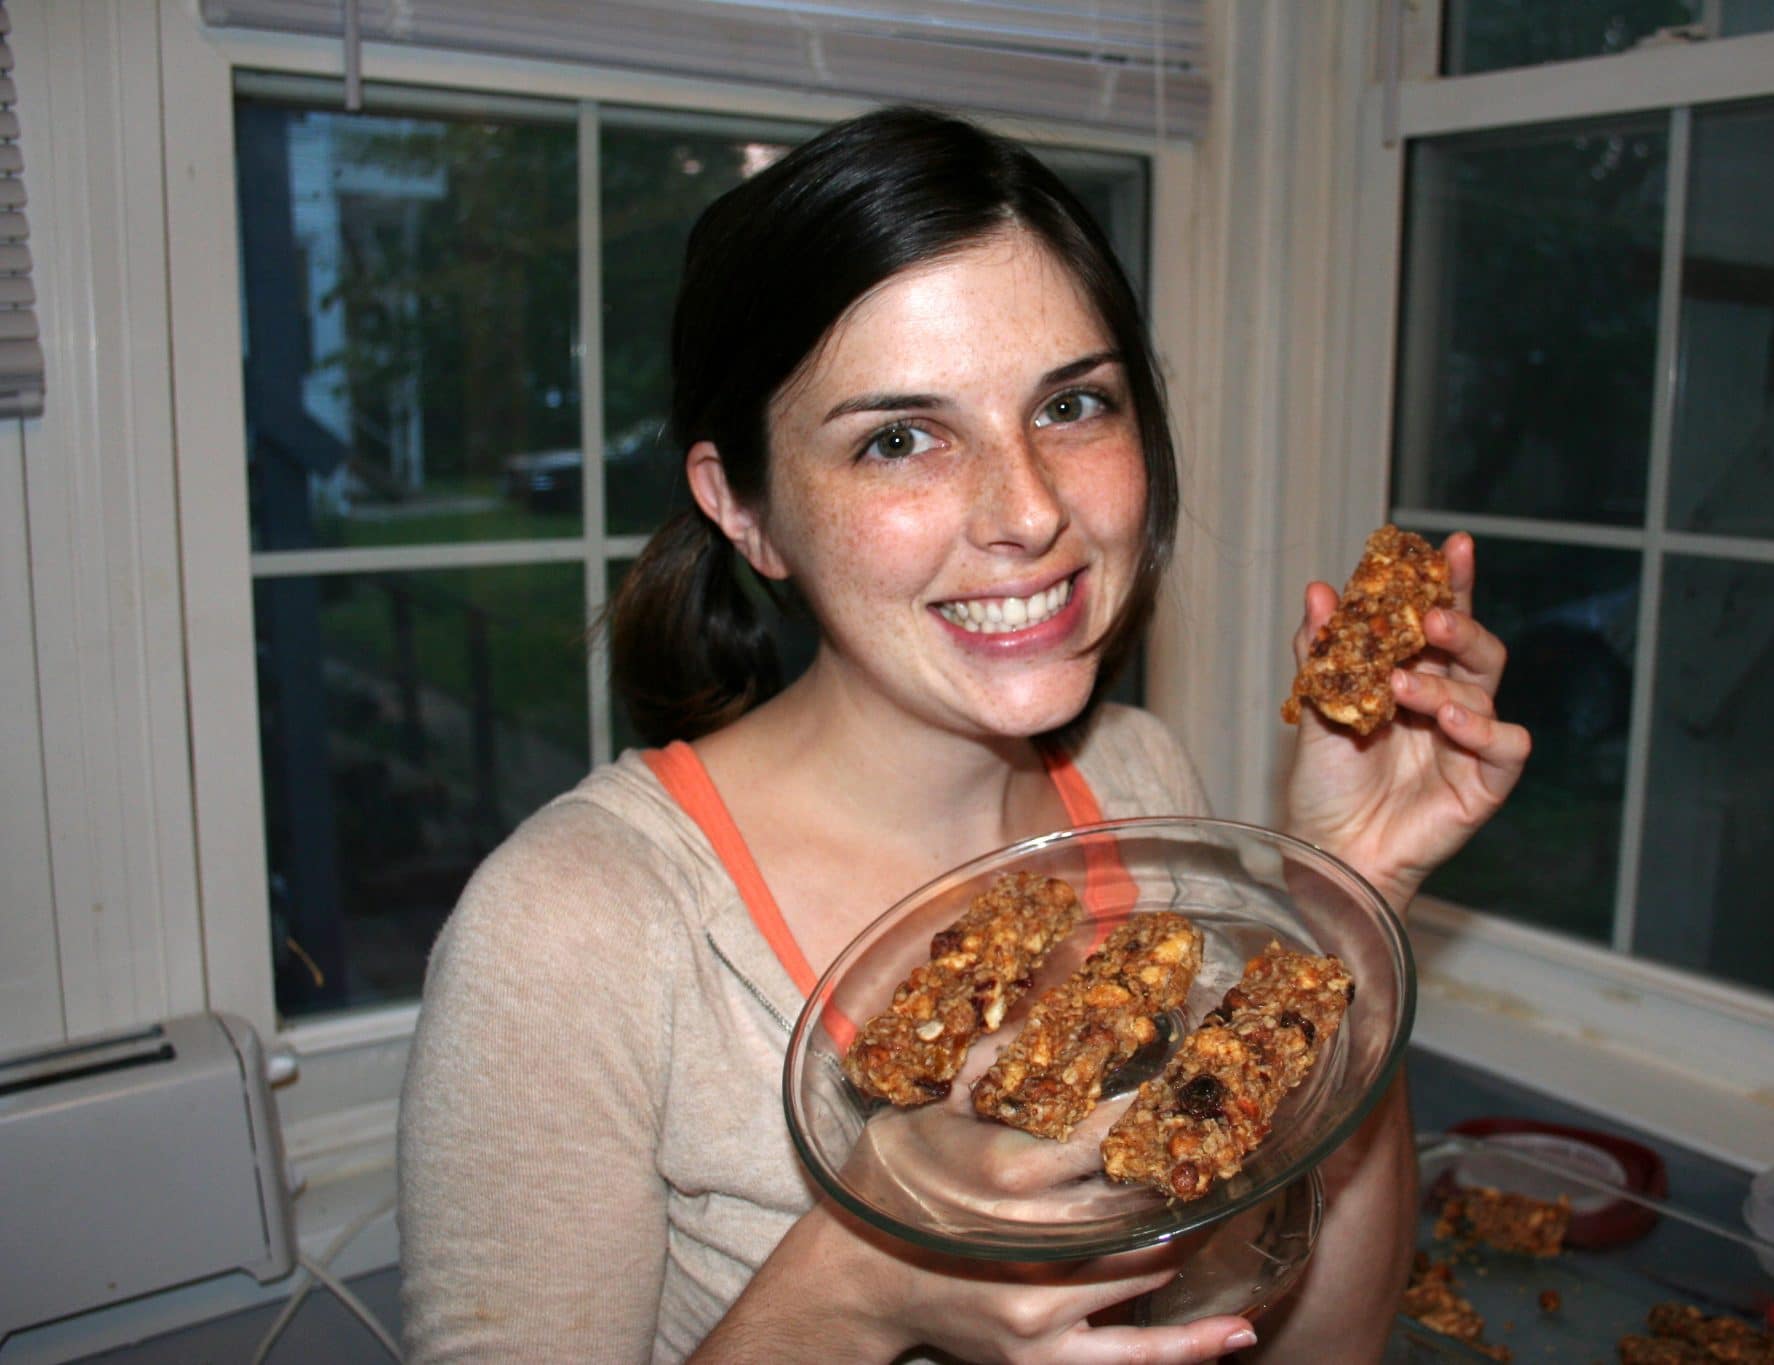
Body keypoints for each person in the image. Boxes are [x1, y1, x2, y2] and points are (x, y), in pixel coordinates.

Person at [398, 105, 1529, 1363]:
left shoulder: (1143, 781)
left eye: (1073, 407)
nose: (1028, 510)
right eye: (897, 437)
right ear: (744, 509)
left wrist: (1348, 901)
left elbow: (1320, 1349)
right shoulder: (577, 930)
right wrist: (859, 1283)